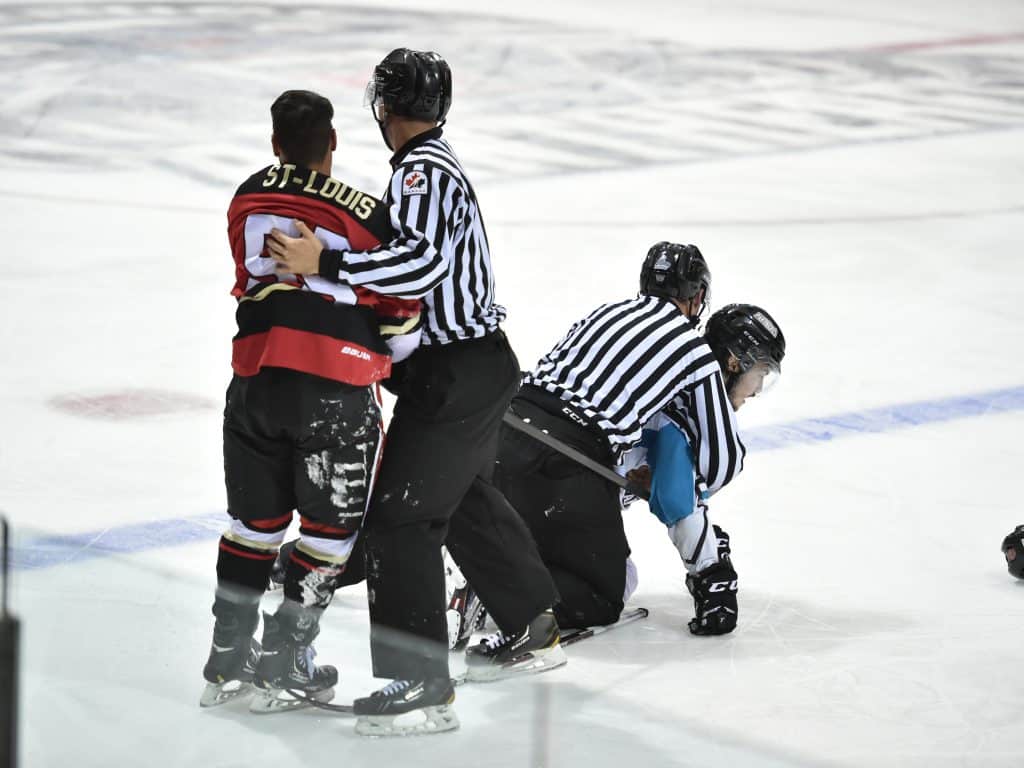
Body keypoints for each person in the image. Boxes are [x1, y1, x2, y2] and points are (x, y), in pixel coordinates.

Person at [267, 49, 561, 737]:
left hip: (456, 372)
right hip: (476, 367)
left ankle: (421, 685)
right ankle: (534, 620)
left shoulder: (424, 171)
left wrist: (325, 261)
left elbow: (419, 265)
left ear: (384, 108)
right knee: (457, 500)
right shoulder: (431, 165)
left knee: (401, 520)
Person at [200, 90, 421, 712]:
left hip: (255, 380)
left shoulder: (247, 197)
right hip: (334, 386)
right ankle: (282, 661)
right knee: (328, 534)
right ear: (333, 145)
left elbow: (251, 279)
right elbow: (401, 313)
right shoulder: (366, 214)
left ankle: (226, 662)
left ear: (275, 144)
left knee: (254, 526)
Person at [487, 243, 758, 635]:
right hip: (567, 460)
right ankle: (496, 592)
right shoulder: (693, 349)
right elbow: (723, 461)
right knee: (604, 593)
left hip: (501, 436)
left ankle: (483, 575)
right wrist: (676, 489)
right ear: (697, 297)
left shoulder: (605, 312)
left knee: (544, 540)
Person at [619, 302, 786, 635]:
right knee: (615, 584)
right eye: (760, 374)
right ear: (734, 362)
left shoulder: (673, 386)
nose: (755, 391)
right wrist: (713, 575)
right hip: (562, 496)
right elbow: (677, 500)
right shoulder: (687, 414)